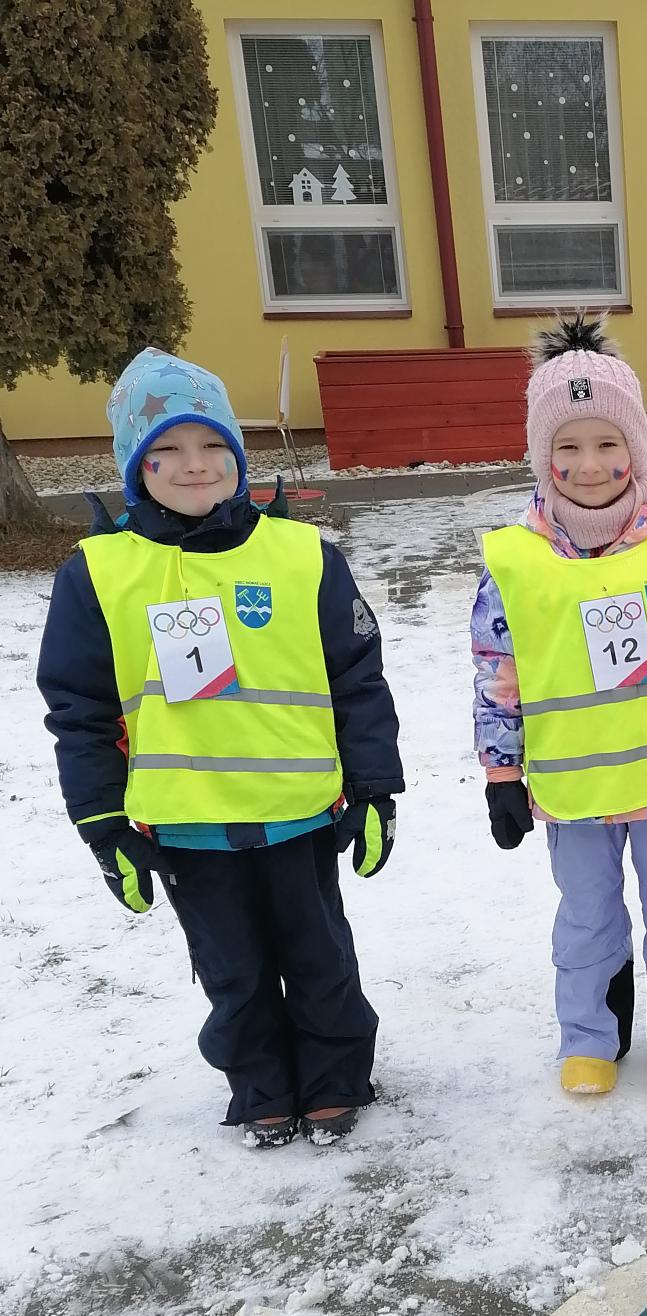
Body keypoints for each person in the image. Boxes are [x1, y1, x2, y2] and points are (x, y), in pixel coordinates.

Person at [37, 347, 402, 1147]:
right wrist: (102, 824)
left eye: (212, 445)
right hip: (187, 828)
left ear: (238, 456)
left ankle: (336, 1079)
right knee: (234, 973)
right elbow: (79, 710)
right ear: (136, 468)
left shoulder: (301, 556)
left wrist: (376, 789)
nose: (194, 465)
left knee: (321, 961)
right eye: (165, 450)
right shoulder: (100, 575)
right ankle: (262, 1088)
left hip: (299, 815)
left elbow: (357, 680)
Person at [474, 314, 647, 1102]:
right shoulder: (516, 563)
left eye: (607, 443)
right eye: (567, 446)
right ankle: (591, 1036)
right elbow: (497, 675)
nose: (589, 465)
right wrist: (502, 774)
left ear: (638, 448)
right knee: (588, 919)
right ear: (541, 455)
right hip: (574, 788)